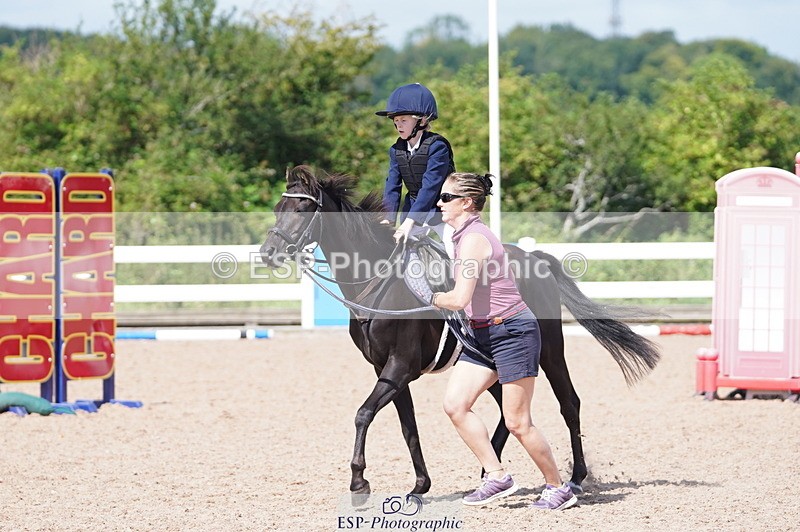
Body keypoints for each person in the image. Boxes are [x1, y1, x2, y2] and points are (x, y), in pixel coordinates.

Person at [429, 172, 578, 511]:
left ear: (466, 203)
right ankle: (497, 475)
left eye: (446, 198)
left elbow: (459, 296)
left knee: (517, 422)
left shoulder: (474, 240)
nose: (439, 203)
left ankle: (558, 486)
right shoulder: (459, 236)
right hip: (482, 335)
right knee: (455, 405)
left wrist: (431, 297)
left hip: (512, 333)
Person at [376, 83, 455, 245]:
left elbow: (430, 187)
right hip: (412, 208)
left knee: (455, 249)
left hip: (442, 211)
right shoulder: (396, 150)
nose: (398, 125)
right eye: (396, 120)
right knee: (398, 249)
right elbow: (392, 185)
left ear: (422, 120)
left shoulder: (437, 147)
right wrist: (388, 218)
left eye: (404, 120)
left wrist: (410, 221)